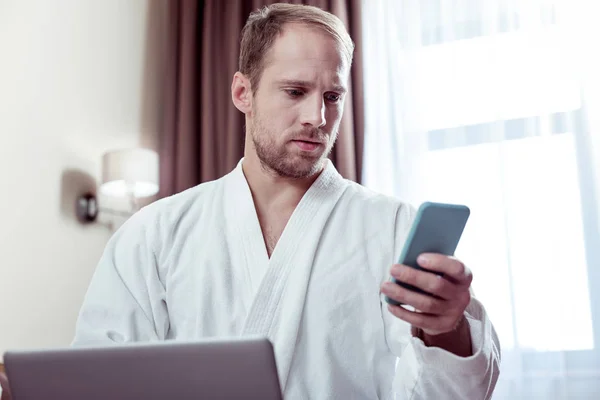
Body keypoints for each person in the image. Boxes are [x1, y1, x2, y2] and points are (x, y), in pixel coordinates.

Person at [0, 3, 500, 399]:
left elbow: (445, 393)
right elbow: (100, 378)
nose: (317, 118)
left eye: (332, 97)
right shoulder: (156, 232)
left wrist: (448, 330)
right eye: (294, 90)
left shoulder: (392, 226)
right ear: (243, 92)